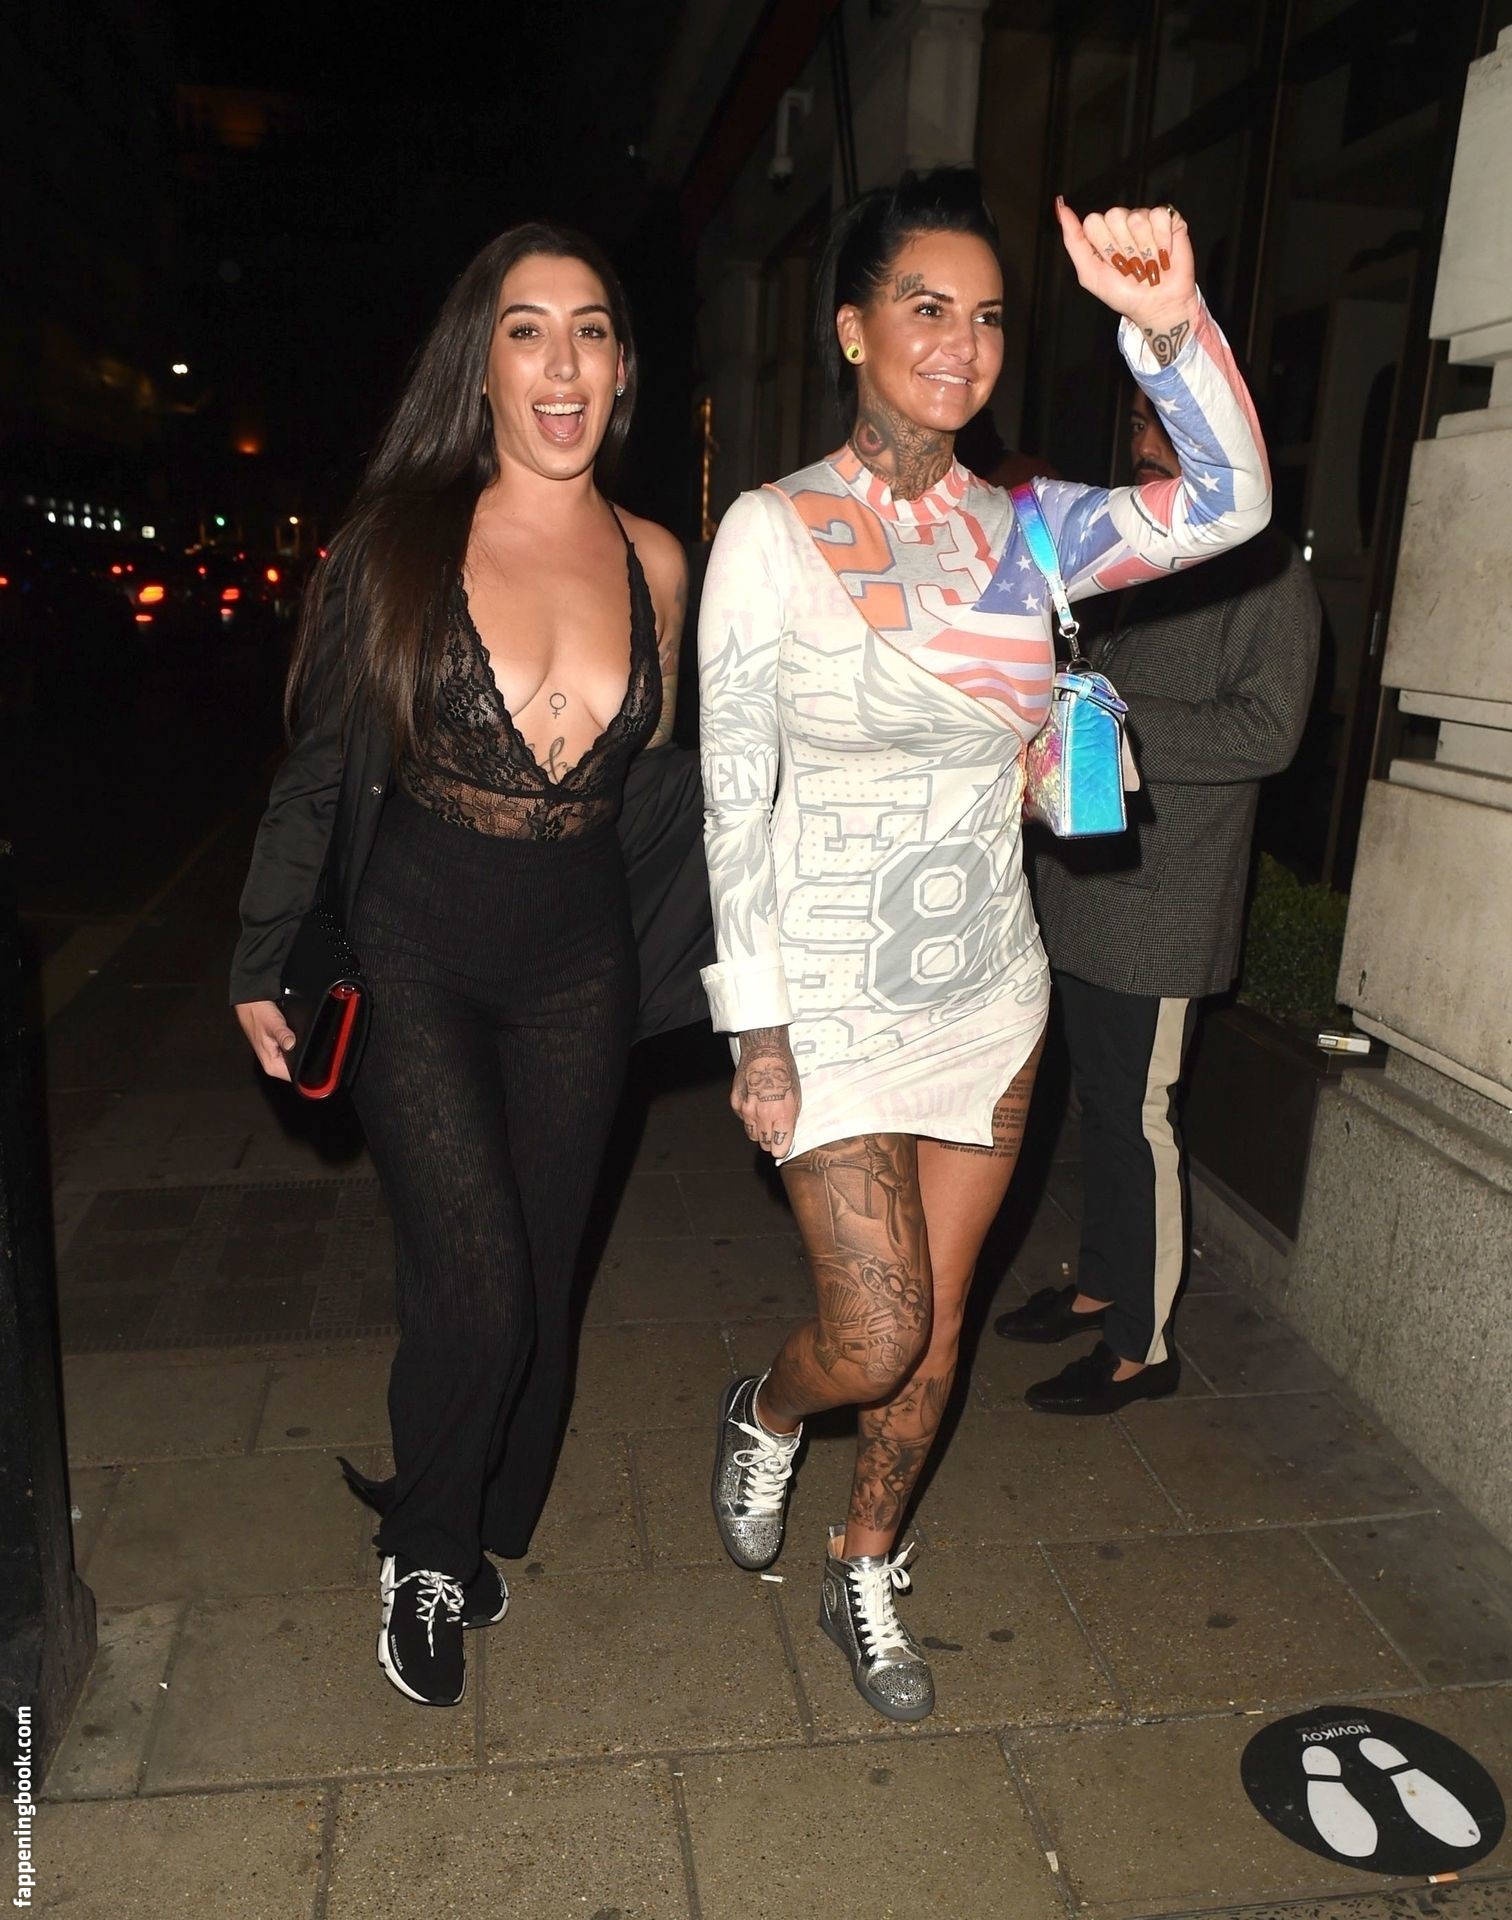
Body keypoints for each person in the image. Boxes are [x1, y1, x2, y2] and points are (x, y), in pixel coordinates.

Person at [696, 170, 1272, 1723]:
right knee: (872, 1330)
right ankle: (766, 1412)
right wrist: (754, 1027)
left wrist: (1170, 330)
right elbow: (731, 796)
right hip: (825, 1002)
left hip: (987, 995)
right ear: (853, 328)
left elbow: (1230, 504)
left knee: (939, 1327)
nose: (961, 342)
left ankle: (865, 1561)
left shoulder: (1027, 531)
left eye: (991, 316)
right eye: (926, 306)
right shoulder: (771, 534)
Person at [230, 223, 690, 1708]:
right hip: (414, 945)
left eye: (591, 330)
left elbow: (670, 796)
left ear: (621, 368)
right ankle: (422, 1552)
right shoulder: (401, 543)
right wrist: (262, 951)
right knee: (478, 1274)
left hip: (578, 971)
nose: (563, 363)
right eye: (526, 329)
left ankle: (475, 1507)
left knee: (533, 1284)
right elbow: (321, 766)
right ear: (479, 365)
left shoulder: (661, 564)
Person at [997, 385, 1320, 1410]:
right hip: (1091, 886)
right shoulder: (1142, 557)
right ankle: (1100, 1286)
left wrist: (1116, 715)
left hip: (1165, 903)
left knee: (1139, 1117)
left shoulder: (1268, 576)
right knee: (1098, 1104)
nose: (1142, 442)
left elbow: (1269, 731)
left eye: (1164, 425)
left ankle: (1142, 1347)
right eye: (1135, 422)